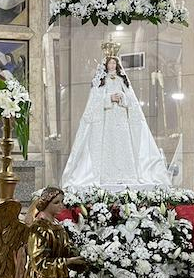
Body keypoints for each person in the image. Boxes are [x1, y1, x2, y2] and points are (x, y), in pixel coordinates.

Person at [61, 55, 171, 189]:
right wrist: (109, 98)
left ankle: (126, 175)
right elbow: (94, 102)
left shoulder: (121, 80)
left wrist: (123, 97)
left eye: (114, 63)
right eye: (110, 63)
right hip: (107, 120)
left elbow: (132, 100)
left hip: (121, 118)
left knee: (123, 144)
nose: (112, 66)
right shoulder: (102, 81)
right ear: (106, 66)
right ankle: (108, 175)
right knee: (109, 144)